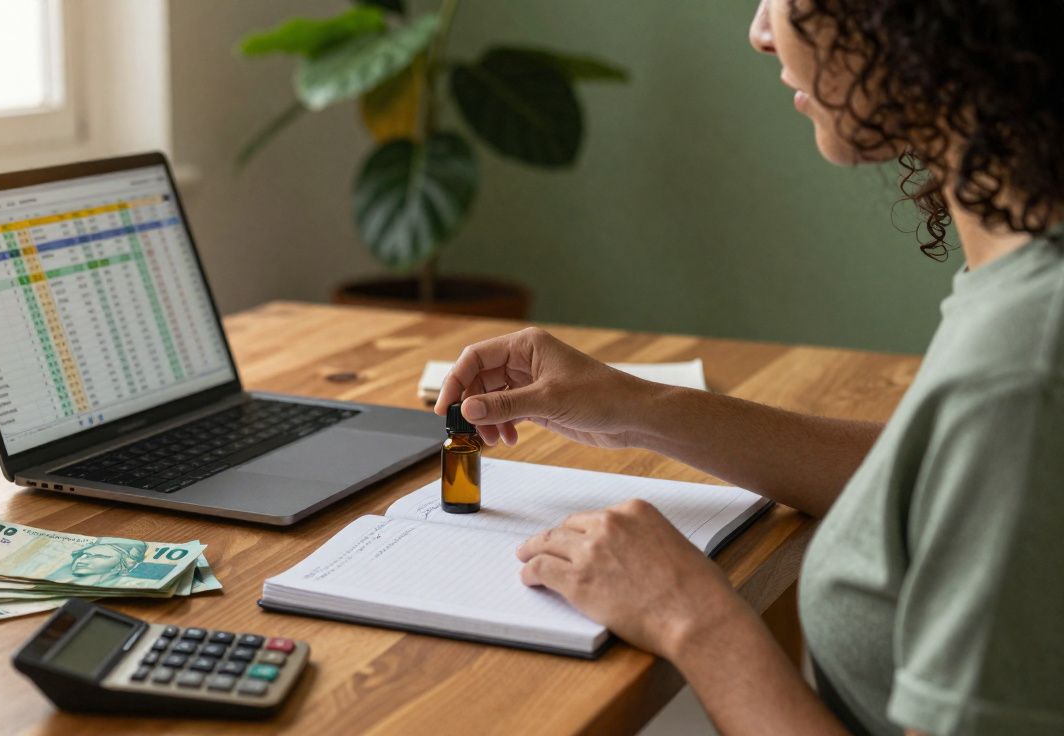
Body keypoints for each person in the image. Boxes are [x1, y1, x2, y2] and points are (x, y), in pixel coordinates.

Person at [433, 1, 1064, 734]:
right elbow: (945, 483)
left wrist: (691, 618)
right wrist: (636, 405)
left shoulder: (1025, 370)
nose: (761, 33)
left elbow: (997, 440)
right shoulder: (1027, 283)